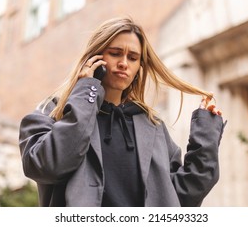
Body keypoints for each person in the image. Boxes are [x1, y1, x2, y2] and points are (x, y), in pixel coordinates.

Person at [19, 17, 226, 207]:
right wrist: (86, 93)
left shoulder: (152, 126)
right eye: (115, 53)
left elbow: (181, 196)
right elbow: (46, 166)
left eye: (133, 57)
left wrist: (206, 136)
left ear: (139, 67)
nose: (124, 63)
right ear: (94, 57)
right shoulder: (50, 114)